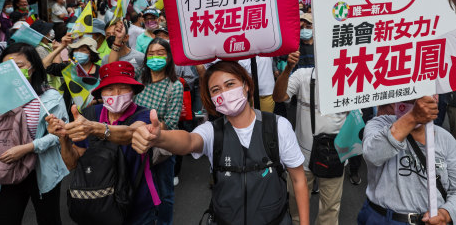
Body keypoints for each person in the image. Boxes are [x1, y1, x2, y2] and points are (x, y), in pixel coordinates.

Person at [132, 60, 309, 224]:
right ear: (210, 98)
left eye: (230, 84)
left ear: (246, 86)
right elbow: (189, 141)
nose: (224, 93)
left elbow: (298, 179)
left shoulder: (278, 126)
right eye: (216, 90)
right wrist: (160, 138)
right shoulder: (211, 131)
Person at [46, 61, 160, 224]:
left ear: (133, 91)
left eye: (123, 87)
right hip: (99, 199)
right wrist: (63, 138)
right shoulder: (90, 114)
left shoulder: (145, 114)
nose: (116, 93)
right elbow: (72, 163)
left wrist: (94, 128)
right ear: (101, 93)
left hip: (137, 200)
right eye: (110, 88)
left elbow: (130, 134)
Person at [357, 96, 456, 225]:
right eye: (412, 100)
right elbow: (373, 154)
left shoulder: (446, 139)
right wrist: (412, 117)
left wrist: (445, 214)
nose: (418, 103)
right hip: (382, 218)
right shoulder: (379, 124)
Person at [273, 50, 347, 225]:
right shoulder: (302, 75)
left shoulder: (350, 77)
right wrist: (287, 69)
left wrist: (348, 151)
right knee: (296, 206)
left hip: (335, 155)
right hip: (300, 156)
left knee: (330, 209)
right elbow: (279, 97)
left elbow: (357, 119)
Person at [0, 43, 69, 225]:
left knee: (49, 219)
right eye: (8, 66)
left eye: (19, 65)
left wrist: (28, 147)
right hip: (9, 167)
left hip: (42, 169)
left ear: (33, 67)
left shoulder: (50, 97)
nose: (13, 70)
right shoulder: (1, 97)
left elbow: (60, 133)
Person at [134, 38, 183, 225]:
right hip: (137, 144)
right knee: (140, 190)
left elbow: (170, 122)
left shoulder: (175, 86)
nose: (155, 57)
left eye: (160, 53)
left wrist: (140, 126)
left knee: (164, 193)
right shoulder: (139, 78)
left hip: (161, 147)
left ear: (169, 57)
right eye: (151, 53)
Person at [44, 36, 101, 119]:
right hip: (70, 116)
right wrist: (61, 47)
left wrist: (95, 102)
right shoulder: (69, 68)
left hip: (93, 117)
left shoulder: (101, 72)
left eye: (83, 50)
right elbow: (45, 65)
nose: (78, 52)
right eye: (76, 50)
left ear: (92, 54)